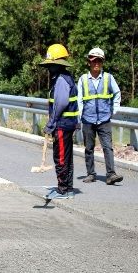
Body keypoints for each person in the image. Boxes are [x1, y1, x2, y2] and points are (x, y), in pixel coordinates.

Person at [77, 47, 123, 185]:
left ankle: (111, 174)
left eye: (99, 61)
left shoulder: (109, 78)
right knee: (89, 148)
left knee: (107, 147)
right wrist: (79, 117)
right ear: (89, 62)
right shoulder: (83, 79)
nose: (97, 63)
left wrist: (114, 110)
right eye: (94, 60)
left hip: (104, 119)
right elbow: (79, 99)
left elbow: (117, 93)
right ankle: (91, 174)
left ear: (102, 62)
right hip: (88, 119)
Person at [40, 44, 78, 199]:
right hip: (67, 124)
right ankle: (67, 188)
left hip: (62, 124)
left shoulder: (61, 80)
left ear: (57, 64)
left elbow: (60, 103)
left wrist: (52, 122)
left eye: (51, 65)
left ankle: (63, 189)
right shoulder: (65, 77)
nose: (49, 68)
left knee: (61, 157)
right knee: (67, 157)